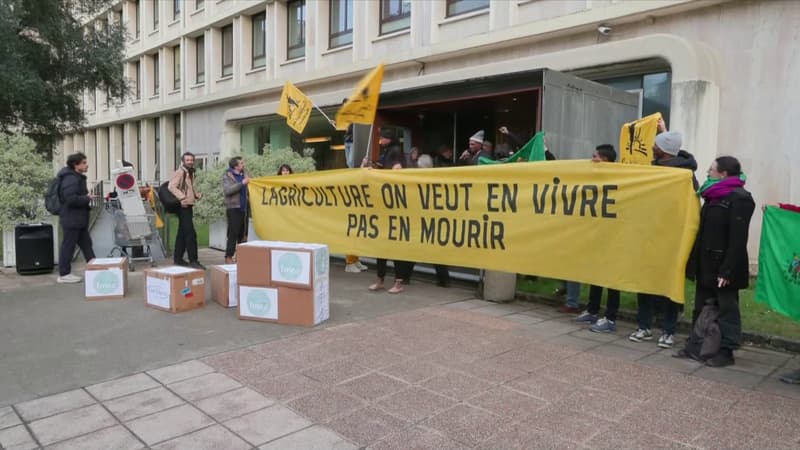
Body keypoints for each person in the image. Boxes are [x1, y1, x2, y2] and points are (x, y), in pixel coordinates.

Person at [681, 156, 755, 367]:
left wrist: (727, 271)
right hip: (706, 264)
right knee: (701, 306)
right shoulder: (712, 195)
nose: (708, 172)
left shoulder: (740, 198)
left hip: (724, 267)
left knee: (726, 309)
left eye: (711, 169)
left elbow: (738, 239)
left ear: (723, 174)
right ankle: (696, 345)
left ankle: (726, 351)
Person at [629, 130, 697, 348]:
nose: (652, 148)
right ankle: (644, 326)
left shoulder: (685, 176)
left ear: (664, 151)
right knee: (644, 282)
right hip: (648, 237)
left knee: (670, 285)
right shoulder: (653, 169)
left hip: (672, 240)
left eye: (656, 145)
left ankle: (669, 330)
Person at [574, 145, 622, 332]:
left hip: (613, 236)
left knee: (611, 278)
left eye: (595, 157)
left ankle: (610, 318)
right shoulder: (593, 179)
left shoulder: (620, 180)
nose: (591, 160)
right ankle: (592, 310)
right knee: (595, 272)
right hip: (597, 234)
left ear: (605, 160)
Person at [368, 155, 413, 294]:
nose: (396, 172)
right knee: (381, 253)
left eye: (399, 169)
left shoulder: (409, 185)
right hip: (385, 224)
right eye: (394, 169)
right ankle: (380, 281)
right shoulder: (385, 183)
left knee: (397, 254)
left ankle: (399, 283)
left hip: (399, 225)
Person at [56, 152, 96, 283]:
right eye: (83, 163)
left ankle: (96, 269)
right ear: (75, 165)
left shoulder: (76, 177)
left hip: (78, 220)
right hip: (72, 219)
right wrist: (87, 198)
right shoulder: (71, 178)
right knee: (68, 246)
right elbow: (70, 199)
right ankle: (64, 274)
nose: (86, 165)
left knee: (86, 245)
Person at [416, 154, 451, 287]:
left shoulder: (423, 180)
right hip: (431, 220)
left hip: (429, 220)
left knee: (417, 250)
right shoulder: (437, 177)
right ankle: (444, 280)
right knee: (433, 252)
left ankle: (404, 276)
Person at [168, 152, 204, 269]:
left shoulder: (190, 173)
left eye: (191, 160)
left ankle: (178, 259)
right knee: (190, 234)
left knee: (182, 233)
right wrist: (182, 198)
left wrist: (197, 195)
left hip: (188, 205)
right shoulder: (180, 172)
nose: (190, 162)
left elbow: (189, 187)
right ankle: (193, 260)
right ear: (183, 161)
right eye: (187, 160)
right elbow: (171, 186)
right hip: (182, 206)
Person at [222, 156, 250, 264]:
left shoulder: (245, 173)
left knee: (243, 233)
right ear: (236, 166)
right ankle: (228, 256)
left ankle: (240, 256)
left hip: (244, 208)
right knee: (233, 233)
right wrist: (242, 183)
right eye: (241, 163)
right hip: (233, 208)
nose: (243, 165)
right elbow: (227, 190)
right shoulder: (227, 175)